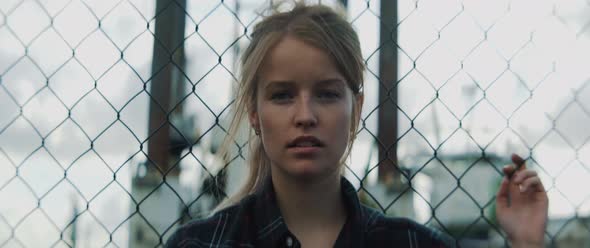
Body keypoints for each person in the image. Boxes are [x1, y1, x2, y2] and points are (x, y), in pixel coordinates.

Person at [165, 2, 548, 247]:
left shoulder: (414, 246)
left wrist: (527, 244)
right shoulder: (200, 245)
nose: (305, 115)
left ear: (357, 107)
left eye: (328, 94)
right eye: (282, 95)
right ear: (253, 112)